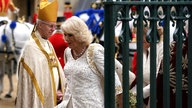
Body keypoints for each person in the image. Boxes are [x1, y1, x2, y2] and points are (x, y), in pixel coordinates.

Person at [57, 16, 125, 108]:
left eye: (70, 35)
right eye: (65, 35)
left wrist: (120, 104)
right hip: (69, 104)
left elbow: (113, 80)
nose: (66, 39)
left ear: (79, 35)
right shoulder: (67, 52)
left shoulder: (94, 50)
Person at [16, 0, 66, 108]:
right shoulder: (30, 47)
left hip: (53, 98)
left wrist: (57, 89)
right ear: (39, 25)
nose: (53, 30)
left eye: (54, 26)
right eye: (50, 26)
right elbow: (31, 83)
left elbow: (56, 71)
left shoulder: (48, 44)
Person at [130, 23, 164, 108]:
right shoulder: (144, 50)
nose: (140, 40)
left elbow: (158, 79)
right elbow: (142, 80)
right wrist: (131, 95)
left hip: (160, 95)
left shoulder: (161, 49)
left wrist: (138, 95)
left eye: (143, 36)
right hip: (144, 95)